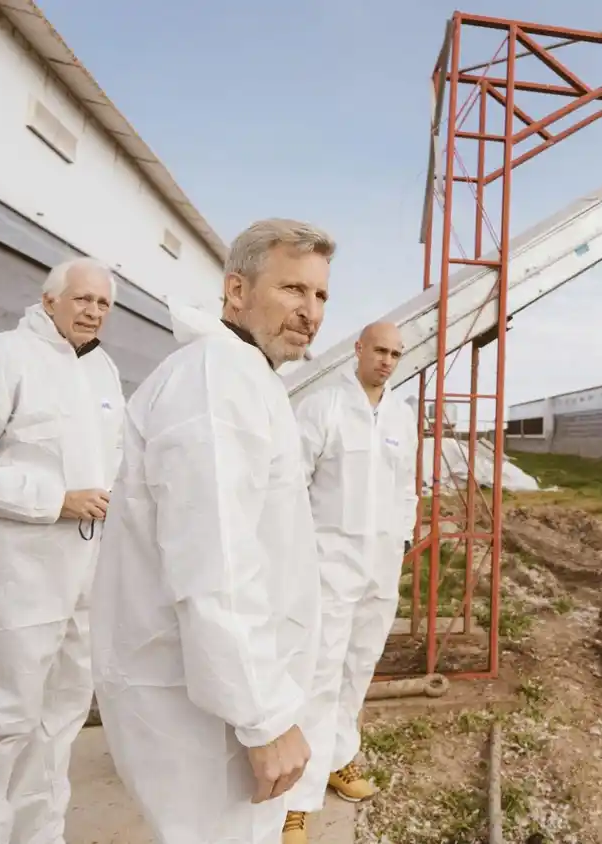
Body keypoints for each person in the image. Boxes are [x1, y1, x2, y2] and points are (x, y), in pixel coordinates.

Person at [90, 218, 335, 844]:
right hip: (207, 705)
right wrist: (265, 718)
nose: (310, 312)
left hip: (221, 692)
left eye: (321, 296)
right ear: (235, 291)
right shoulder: (214, 382)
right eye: (292, 290)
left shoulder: (244, 377)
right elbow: (216, 563)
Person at [0, 257, 125, 844]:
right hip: (14, 579)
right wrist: (55, 499)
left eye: (103, 304)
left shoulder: (104, 372)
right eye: (82, 299)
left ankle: (38, 836)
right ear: (49, 301)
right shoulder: (0, 357)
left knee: (58, 722)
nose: (93, 312)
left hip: (83, 577)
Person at [285, 321, 419, 838]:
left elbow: (407, 486)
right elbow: (292, 482)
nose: (387, 361)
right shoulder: (324, 407)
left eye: (396, 354)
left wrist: (402, 540)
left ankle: (339, 759)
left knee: (357, 668)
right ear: (358, 350)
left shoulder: (400, 416)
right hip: (329, 561)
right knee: (317, 672)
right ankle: (296, 796)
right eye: (379, 350)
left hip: (380, 564)